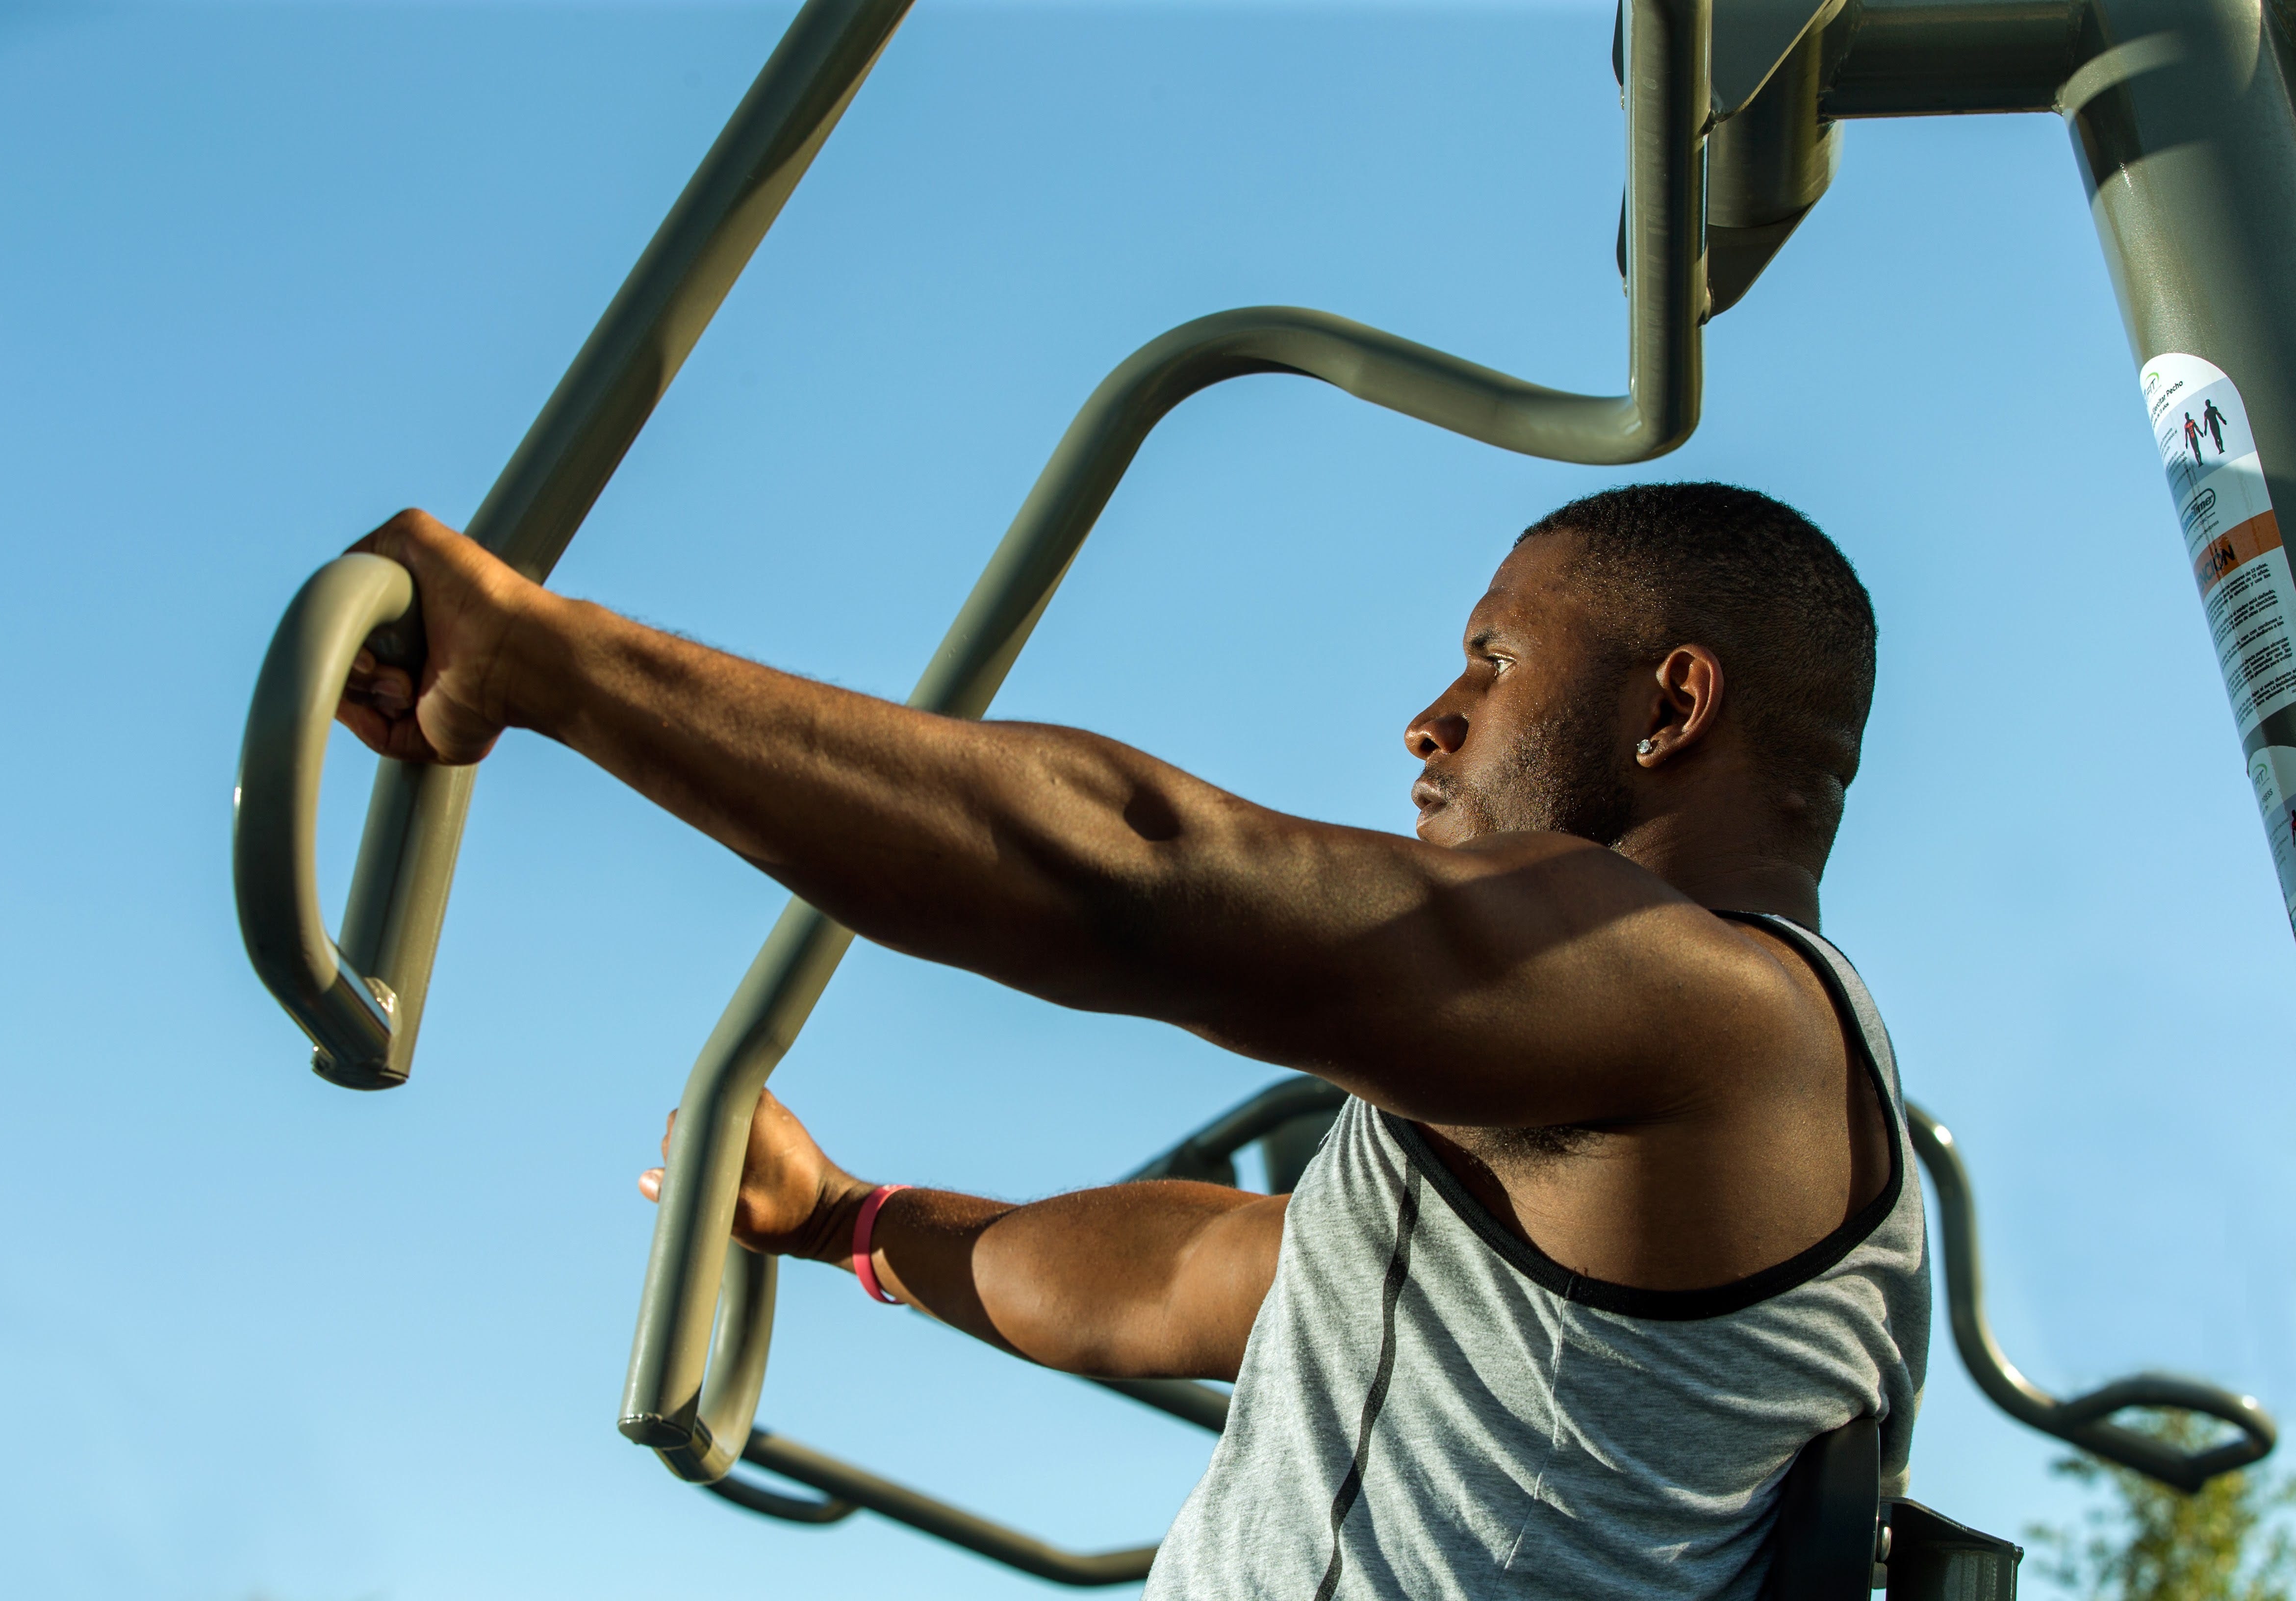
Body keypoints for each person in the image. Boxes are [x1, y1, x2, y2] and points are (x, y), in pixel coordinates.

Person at [337, 481, 1927, 1601]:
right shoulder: (1599, 1096)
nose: (1430, 720)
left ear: (1672, 709)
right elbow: (1187, 1280)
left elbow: (1143, 878)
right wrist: (848, 1224)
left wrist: (555, 662)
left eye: (1493, 662)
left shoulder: (1719, 1021)